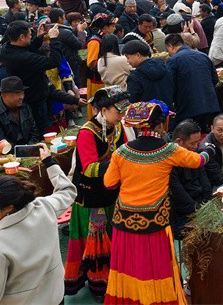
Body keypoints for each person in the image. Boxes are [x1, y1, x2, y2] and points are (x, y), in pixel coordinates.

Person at [103, 101, 217, 304]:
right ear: (162, 124)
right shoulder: (168, 150)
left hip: (124, 221)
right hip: (154, 223)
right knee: (155, 269)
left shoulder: (121, 152)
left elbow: (109, 184)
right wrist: (210, 149)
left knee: (128, 268)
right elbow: (199, 161)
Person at [0, 143, 76, 304]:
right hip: (55, 296)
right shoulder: (44, 207)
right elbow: (68, 191)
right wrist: (49, 162)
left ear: (8, 207)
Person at [64, 86, 131, 299]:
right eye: (118, 112)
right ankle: (98, 284)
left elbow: (125, 150)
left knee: (113, 236)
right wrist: (119, 161)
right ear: (103, 110)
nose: (121, 116)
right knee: (96, 241)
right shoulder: (87, 133)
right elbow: (90, 169)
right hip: (91, 196)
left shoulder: (117, 127)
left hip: (112, 192)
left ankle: (114, 277)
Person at [1, 19, 63, 134]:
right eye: (30, 34)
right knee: (39, 131)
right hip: (34, 99)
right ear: (22, 37)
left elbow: (26, 50)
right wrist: (54, 39)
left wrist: (38, 38)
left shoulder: (6, 48)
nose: (31, 36)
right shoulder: (23, 58)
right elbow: (54, 61)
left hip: (27, 96)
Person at [169, 120, 212, 238]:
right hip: (181, 211)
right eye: (192, 143)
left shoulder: (194, 153)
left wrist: (208, 204)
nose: (196, 147)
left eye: (197, 142)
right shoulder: (168, 161)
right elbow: (178, 194)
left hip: (200, 202)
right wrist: (198, 210)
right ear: (179, 142)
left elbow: (204, 181)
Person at [165, 32, 219, 126]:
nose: (169, 54)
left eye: (167, 50)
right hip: (210, 104)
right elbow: (215, 79)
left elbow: (170, 85)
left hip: (189, 107)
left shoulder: (173, 60)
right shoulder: (203, 55)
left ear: (171, 46)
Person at [0, 76, 39, 147]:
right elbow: (1, 144)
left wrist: (30, 148)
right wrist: (23, 151)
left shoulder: (25, 107)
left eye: (22, 93)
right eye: (18, 93)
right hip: (6, 153)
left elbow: (34, 132)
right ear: (4, 95)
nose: (21, 97)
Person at [85, 14, 117, 117]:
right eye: (112, 26)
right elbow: (91, 63)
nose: (114, 28)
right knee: (98, 108)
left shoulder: (105, 39)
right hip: (97, 81)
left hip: (104, 78)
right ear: (105, 27)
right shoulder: (95, 41)